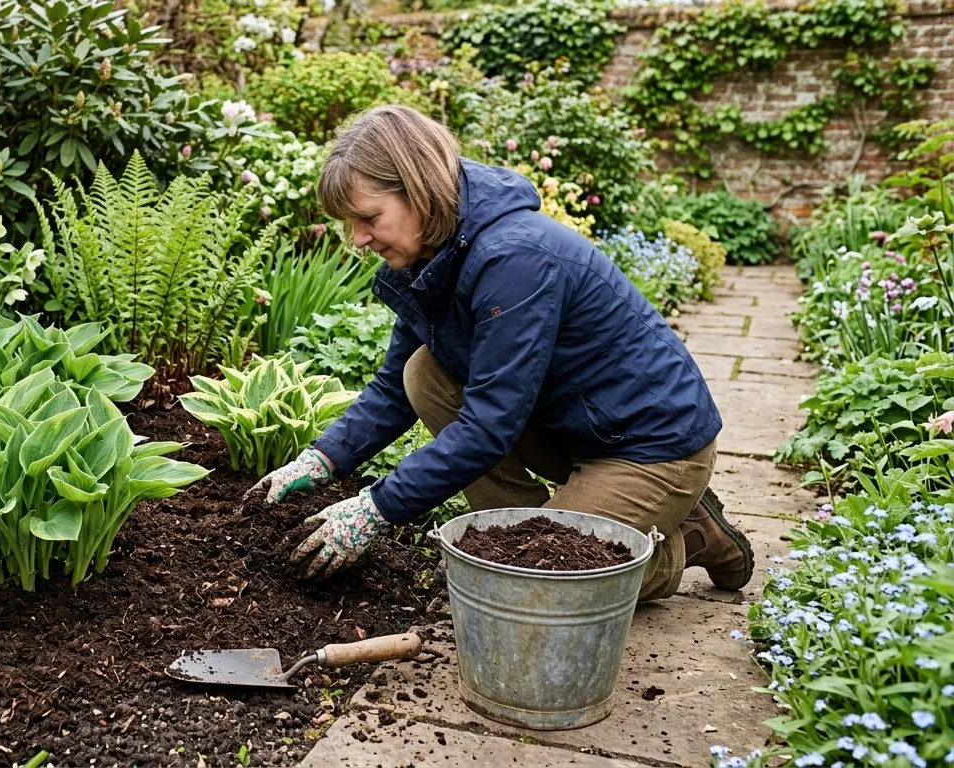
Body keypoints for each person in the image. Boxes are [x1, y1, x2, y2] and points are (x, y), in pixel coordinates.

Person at [246, 105, 753, 600]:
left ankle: (686, 540)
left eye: (368, 217)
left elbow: (488, 427)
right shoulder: (432, 252)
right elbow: (394, 387)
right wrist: (321, 459)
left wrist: (376, 508)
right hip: (571, 426)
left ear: (418, 191)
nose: (358, 239)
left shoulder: (514, 257)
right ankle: (525, 529)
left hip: (649, 445)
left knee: (537, 582)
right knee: (424, 372)